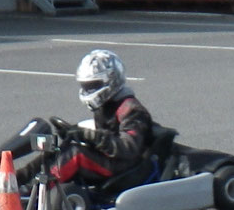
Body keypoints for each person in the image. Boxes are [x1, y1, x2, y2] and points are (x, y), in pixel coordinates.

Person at [47, 48, 154, 190]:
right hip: (111, 158)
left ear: (111, 80)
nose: (88, 91)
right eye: (86, 86)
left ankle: (40, 188)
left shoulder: (131, 109)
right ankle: (17, 179)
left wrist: (89, 136)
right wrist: (74, 134)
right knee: (57, 151)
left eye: (93, 86)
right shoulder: (106, 105)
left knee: (76, 155)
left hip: (126, 166)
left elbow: (128, 148)